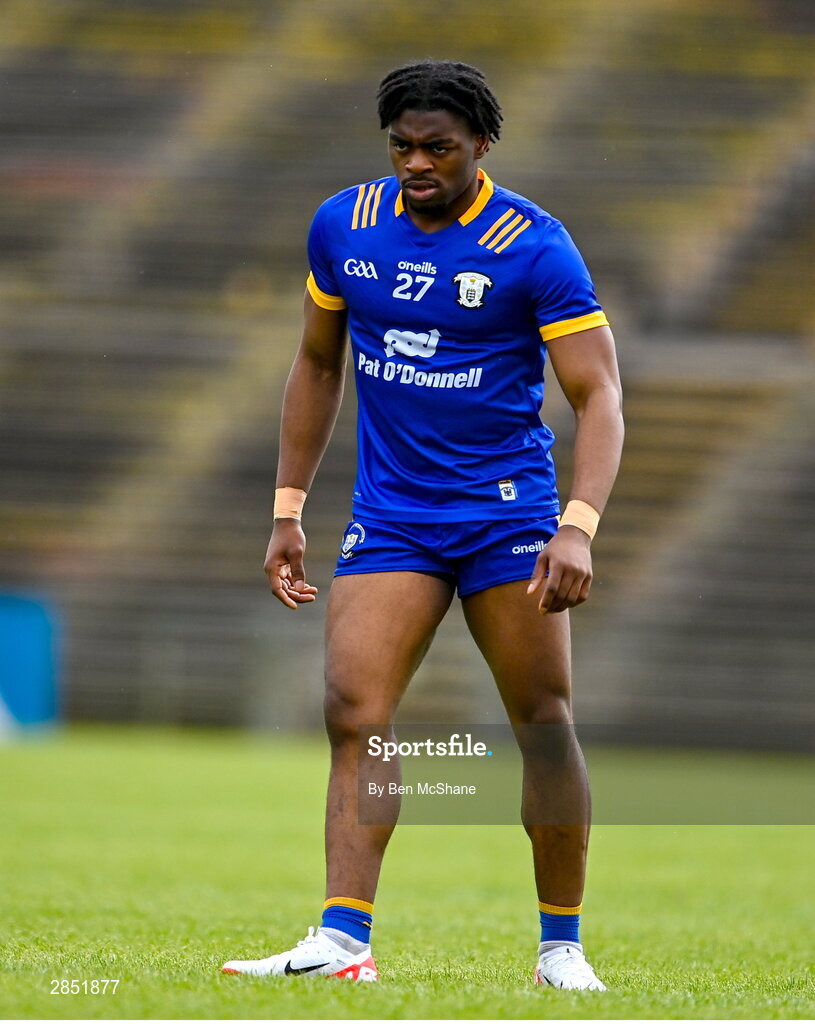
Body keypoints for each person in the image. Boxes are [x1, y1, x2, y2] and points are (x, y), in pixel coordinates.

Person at [222, 59, 623, 990]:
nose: (416, 164)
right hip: (393, 515)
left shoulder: (535, 247)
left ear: (481, 145)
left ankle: (560, 948)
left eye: (437, 148)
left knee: (542, 721)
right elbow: (317, 366)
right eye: (401, 147)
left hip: (507, 517)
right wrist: (287, 511)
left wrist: (578, 525)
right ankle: (341, 940)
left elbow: (597, 394)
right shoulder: (343, 227)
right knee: (353, 711)